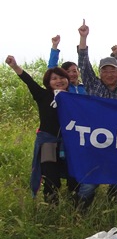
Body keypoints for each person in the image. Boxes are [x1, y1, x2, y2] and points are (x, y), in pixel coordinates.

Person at [6, 55, 77, 204]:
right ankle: (51, 207)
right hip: (48, 143)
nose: (59, 81)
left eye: (62, 77)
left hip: (70, 143)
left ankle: (74, 207)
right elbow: (29, 81)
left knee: (74, 177)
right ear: (48, 82)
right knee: (51, 179)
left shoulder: (74, 99)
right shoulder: (43, 95)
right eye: (54, 79)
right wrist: (14, 66)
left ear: (67, 80)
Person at [77, 20, 117, 206]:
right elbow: (83, 64)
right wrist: (83, 37)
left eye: (113, 70)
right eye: (105, 70)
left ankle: (116, 210)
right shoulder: (93, 86)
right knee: (89, 185)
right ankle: (81, 214)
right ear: (100, 73)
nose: (109, 74)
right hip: (95, 143)